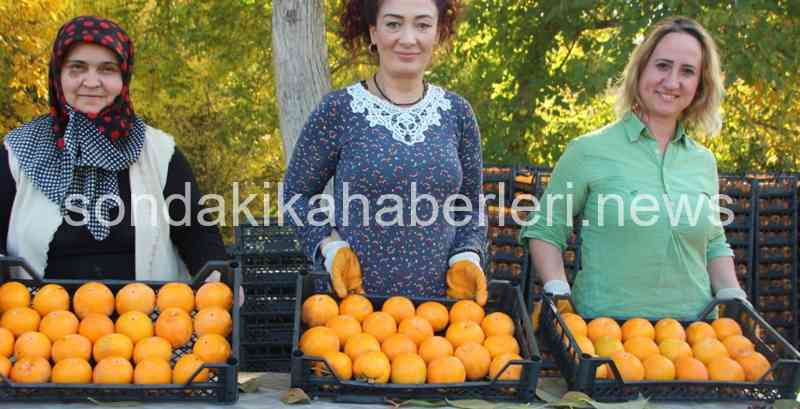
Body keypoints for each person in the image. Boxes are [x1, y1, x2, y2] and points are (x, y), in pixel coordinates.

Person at [521, 16, 747, 319]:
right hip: (606, 338)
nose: (672, 82)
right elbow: (545, 230)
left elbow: (713, 243)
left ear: (700, 84)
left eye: (688, 71)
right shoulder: (588, 151)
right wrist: (557, 287)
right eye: (662, 65)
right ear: (641, 69)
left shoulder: (703, 161)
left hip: (698, 343)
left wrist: (732, 292)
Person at [283, 0, 488, 304]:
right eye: (393, 24)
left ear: (437, 33)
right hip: (352, 314)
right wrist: (330, 247)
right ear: (374, 32)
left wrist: (468, 254)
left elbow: (470, 206)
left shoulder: (456, 113)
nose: (408, 38)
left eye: (422, 24)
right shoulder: (339, 110)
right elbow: (294, 196)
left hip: (443, 322)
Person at [0, 16, 227, 281]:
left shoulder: (158, 152)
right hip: (36, 319)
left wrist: (222, 283)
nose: (92, 82)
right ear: (58, 74)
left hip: (147, 318)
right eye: (77, 68)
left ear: (124, 77)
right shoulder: (18, 153)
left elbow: (196, 232)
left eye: (107, 69)